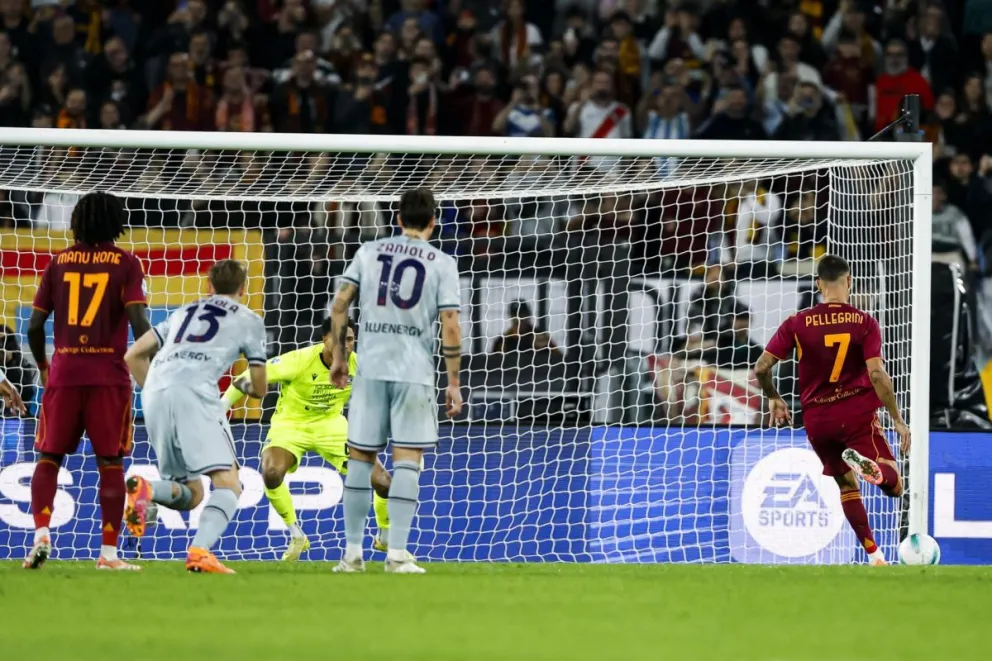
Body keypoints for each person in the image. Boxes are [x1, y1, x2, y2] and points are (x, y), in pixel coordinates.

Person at [329, 188, 463, 574]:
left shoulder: (368, 252)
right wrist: (453, 382)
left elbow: (339, 306)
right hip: (413, 373)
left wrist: (339, 358)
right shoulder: (443, 263)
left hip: (370, 369)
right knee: (407, 462)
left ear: (398, 218)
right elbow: (450, 324)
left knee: (360, 460)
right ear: (434, 222)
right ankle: (398, 555)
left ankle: (352, 555)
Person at [753, 255, 910, 566]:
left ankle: (874, 555)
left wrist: (774, 397)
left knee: (847, 485)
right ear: (849, 281)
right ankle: (877, 472)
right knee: (895, 487)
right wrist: (897, 419)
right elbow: (877, 374)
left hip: (817, 420)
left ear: (818, 284)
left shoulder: (797, 322)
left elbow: (761, 368)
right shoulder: (864, 322)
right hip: (856, 414)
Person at [24, 192, 151, 571]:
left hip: (64, 373)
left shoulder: (58, 262)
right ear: (115, 223)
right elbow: (139, 322)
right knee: (109, 462)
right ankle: (108, 555)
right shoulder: (126, 263)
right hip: (108, 377)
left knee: (49, 456)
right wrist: (153, 364)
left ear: (77, 221)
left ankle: (41, 533)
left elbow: (34, 326)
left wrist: (45, 366)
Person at [123, 260, 267, 575]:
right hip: (195, 393)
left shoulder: (183, 312)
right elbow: (259, 387)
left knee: (191, 493)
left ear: (208, 286)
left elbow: (132, 355)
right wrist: (246, 387)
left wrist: (160, 394)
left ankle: (147, 489)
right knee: (229, 483)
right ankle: (200, 552)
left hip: (154, 394)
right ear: (243, 288)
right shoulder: (249, 319)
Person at [221, 318, 393, 561]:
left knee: (383, 481)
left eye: (350, 340)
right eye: (340, 339)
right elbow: (250, 376)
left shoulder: (360, 365)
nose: (346, 345)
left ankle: (385, 537)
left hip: (331, 425)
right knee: (271, 472)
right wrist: (222, 407)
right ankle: (297, 536)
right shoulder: (299, 360)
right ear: (325, 340)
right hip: (291, 424)